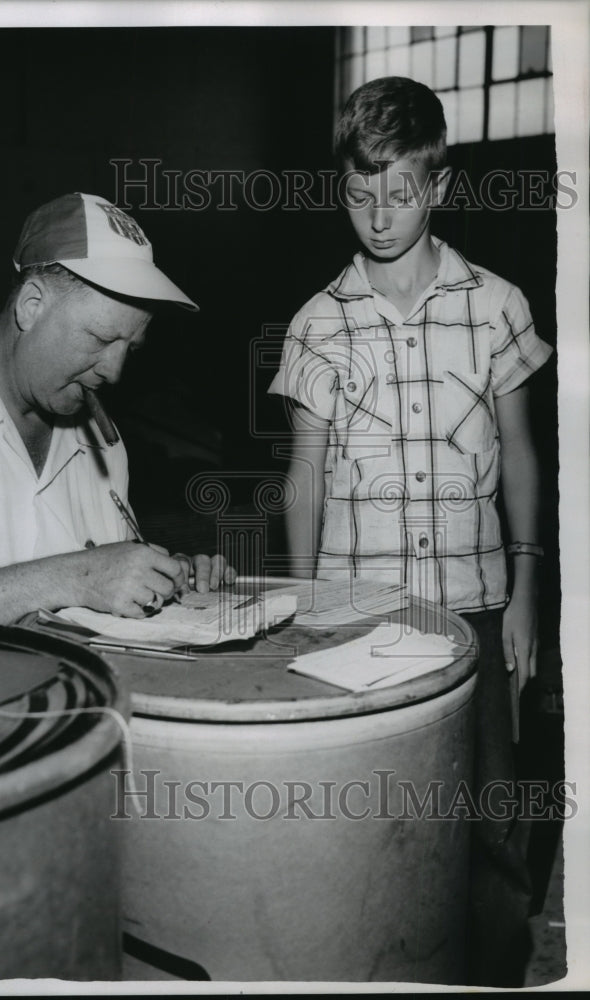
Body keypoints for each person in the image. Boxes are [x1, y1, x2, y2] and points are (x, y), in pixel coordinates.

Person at [268, 77, 553, 986]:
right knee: (373, 830)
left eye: (400, 193)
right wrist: (304, 601)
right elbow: (303, 473)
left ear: (438, 184)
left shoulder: (497, 306)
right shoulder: (319, 324)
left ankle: (498, 970)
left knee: (491, 825)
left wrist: (525, 592)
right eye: (360, 195)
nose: (379, 215)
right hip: (360, 620)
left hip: (472, 611)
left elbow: (518, 452)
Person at [0, 192, 235, 625]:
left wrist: (164, 579)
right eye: (99, 338)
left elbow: (107, 581)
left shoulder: (103, 444)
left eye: (131, 348)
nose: (115, 371)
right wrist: (74, 577)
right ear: (31, 306)